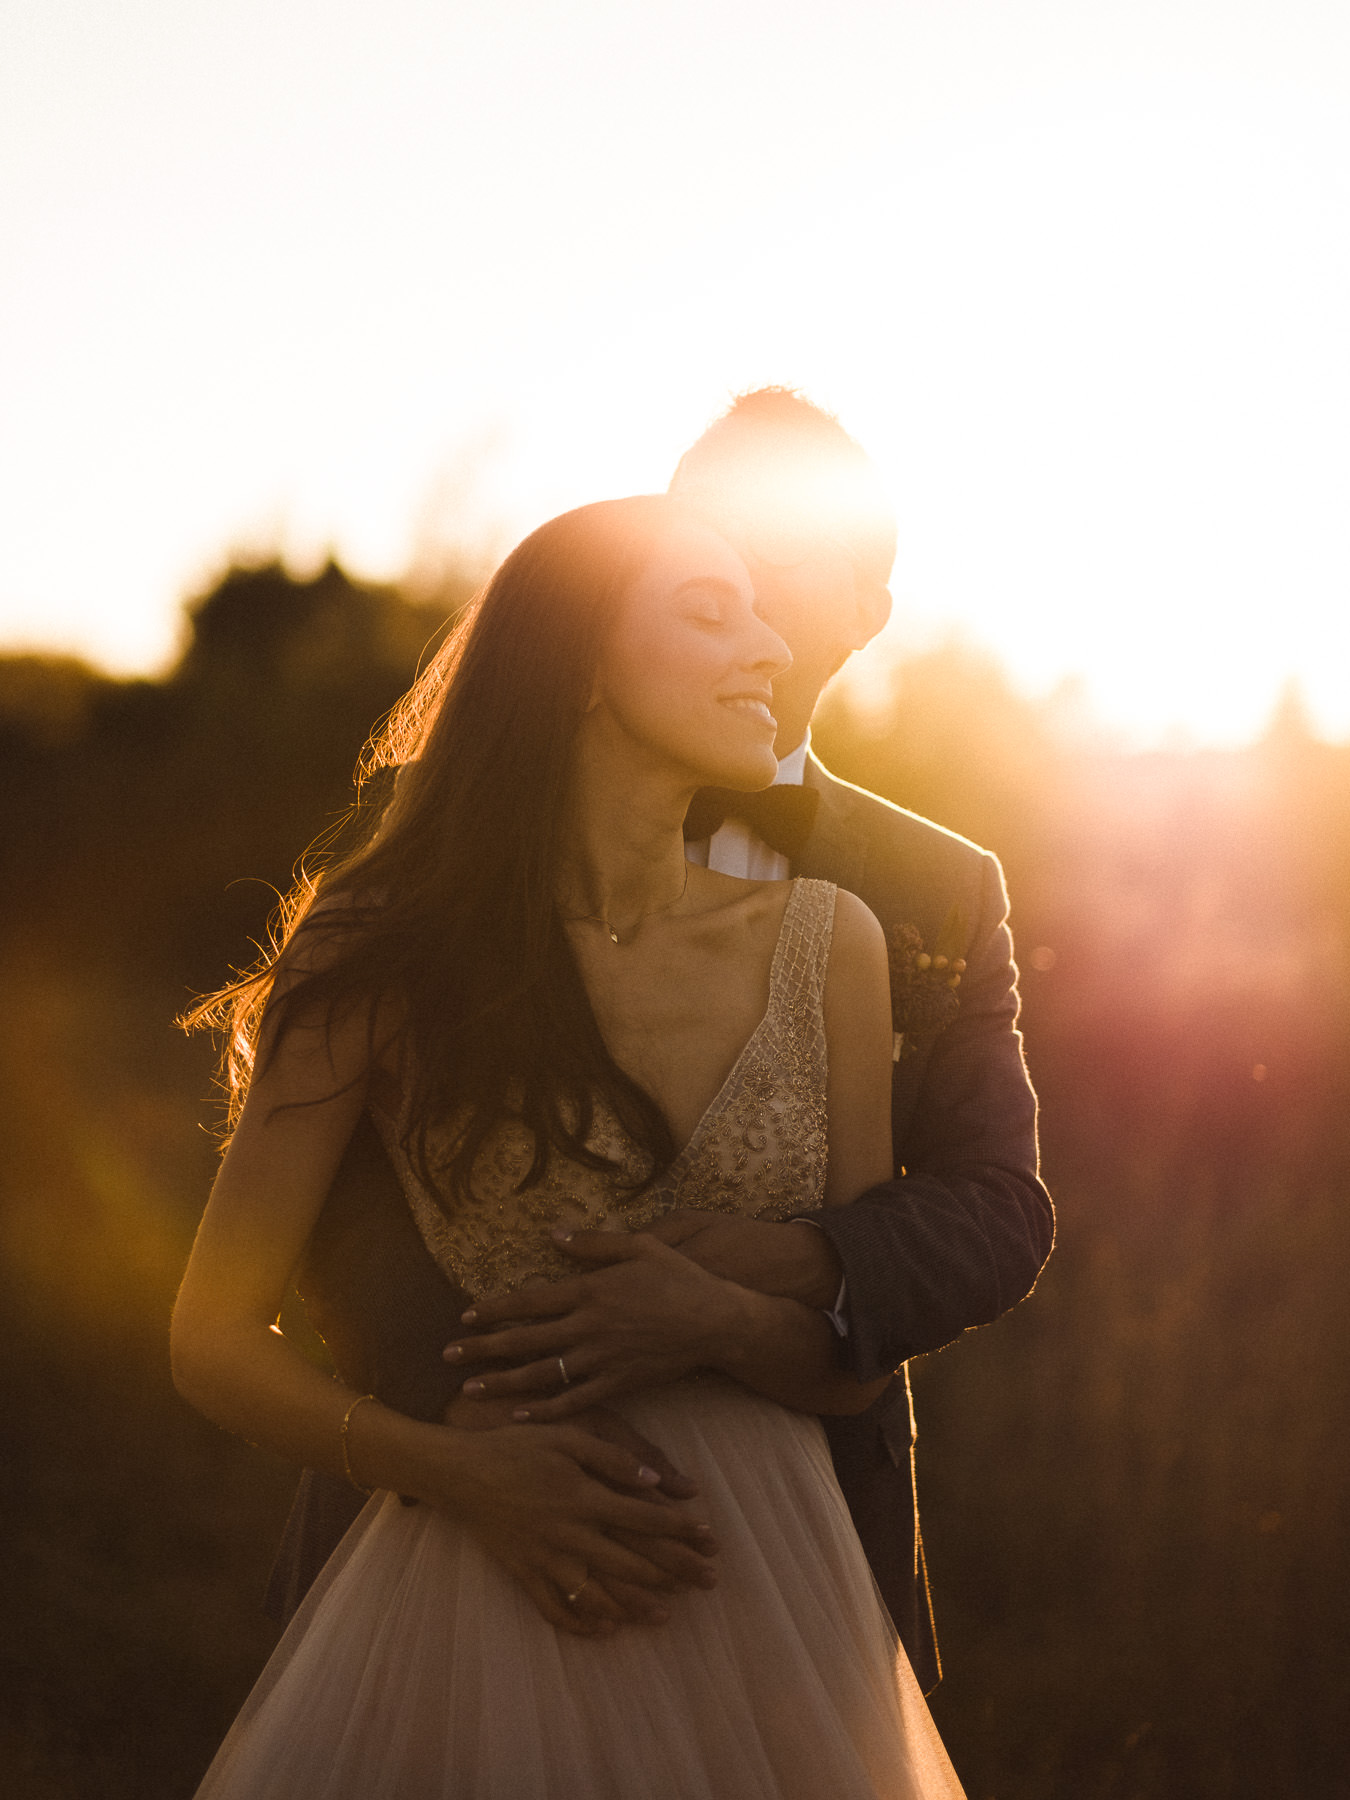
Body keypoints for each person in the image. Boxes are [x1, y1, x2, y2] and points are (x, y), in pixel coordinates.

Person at [173, 493, 967, 1797]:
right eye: (710, 614)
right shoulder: (375, 946)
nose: (768, 650)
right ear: (579, 665)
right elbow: (208, 1337)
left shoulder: (832, 947)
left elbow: (849, 1370)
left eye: (762, 615)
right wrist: (463, 1474)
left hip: (771, 1581)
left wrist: (711, 1317)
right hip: (481, 1576)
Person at [266, 390, 1054, 1691]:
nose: (730, 583)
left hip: (789, 1522)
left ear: (867, 615)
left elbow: (993, 1210)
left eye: (777, 563)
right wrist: (463, 1417)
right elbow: (339, 1176)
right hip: (453, 1501)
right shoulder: (446, 833)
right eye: (702, 548)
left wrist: (770, 1274)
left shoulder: (928, 890)